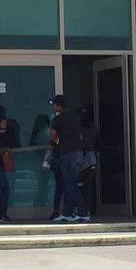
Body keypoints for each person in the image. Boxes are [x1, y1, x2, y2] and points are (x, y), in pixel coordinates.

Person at [49, 94, 90, 222]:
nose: (53, 106)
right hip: (78, 153)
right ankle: (67, 213)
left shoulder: (59, 119)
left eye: (54, 104)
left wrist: (52, 147)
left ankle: (83, 213)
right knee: (70, 184)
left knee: (71, 185)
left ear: (59, 106)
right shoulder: (75, 117)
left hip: (67, 154)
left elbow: (52, 136)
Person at [76, 107, 100, 216]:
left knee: (74, 185)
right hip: (92, 159)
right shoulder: (93, 127)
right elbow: (98, 144)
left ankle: (78, 209)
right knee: (88, 186)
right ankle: (87, 210)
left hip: (80, 159)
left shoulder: (77, 127)